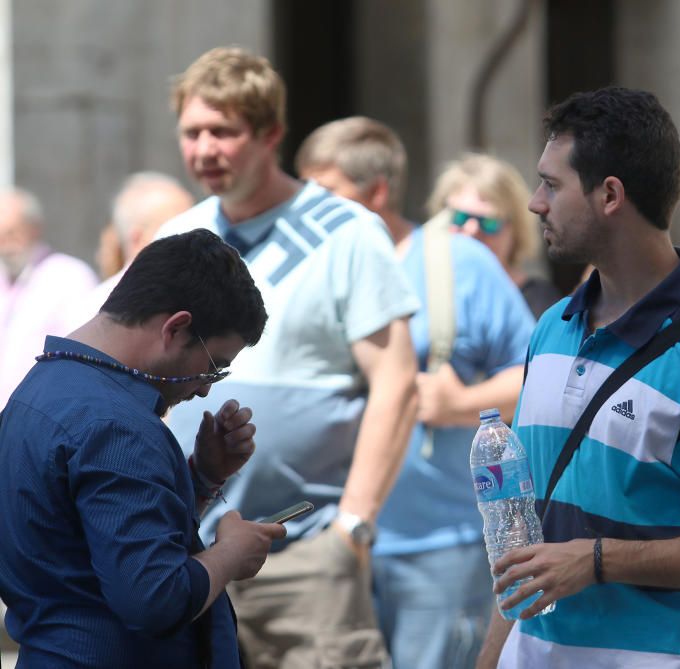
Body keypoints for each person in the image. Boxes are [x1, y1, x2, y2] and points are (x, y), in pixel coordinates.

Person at [476, 87, 680, 669]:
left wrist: (599, 559)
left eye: (552, 185)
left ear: (609, 195)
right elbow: (530, 531)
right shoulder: (552, 327)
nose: (534, 203)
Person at [155, 47, 421, 669]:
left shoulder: (347, 231)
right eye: (192, 132)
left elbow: (397, 383)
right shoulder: (178, 239)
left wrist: (352, 529)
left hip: (305, 552)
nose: (204, 149)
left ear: (271, 133)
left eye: (224, 131)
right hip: (190, 554)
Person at [296, 117, 536, 669]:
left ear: (378, 191)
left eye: (326, 193)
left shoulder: (458, 260)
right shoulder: (314, 264)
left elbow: (536, 375)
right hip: (328, 539)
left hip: (438, 544)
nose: (308, 210)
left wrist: (459, 405)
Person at [0, 228, 285, 668]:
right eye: (214, 367)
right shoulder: (115, 425)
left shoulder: (39, 390)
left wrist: (204, 476)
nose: (205, 391)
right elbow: (154, 599)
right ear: (176, 328)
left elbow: (95, 540)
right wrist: (230, 554)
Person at [427, 154, 561, 319]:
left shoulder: (541, 305)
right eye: (459, 217)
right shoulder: (422, 289)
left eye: (489, 222)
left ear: (516, 230)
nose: (471, 230)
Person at [0, 188, 98, 407]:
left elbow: (81, 355)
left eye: (12, 233)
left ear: (34, 229)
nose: (6, 245)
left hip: (43, 412)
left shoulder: (69, 276)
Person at [70, 171, 195, 328]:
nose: (195, 239)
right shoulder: (96, 311)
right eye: (179, 230)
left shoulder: (200, 294)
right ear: (138, 240)